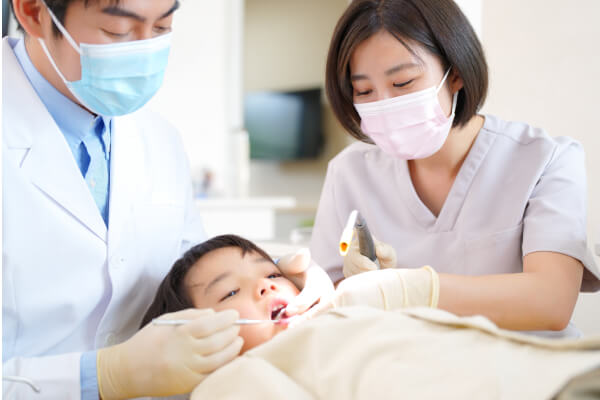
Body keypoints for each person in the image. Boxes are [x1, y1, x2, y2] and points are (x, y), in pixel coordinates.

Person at [2, 0, 327, 398]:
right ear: (33, 12)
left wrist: (283, 279)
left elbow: (189, 279)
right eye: (119, 31)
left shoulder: (159, 139)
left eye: (162, 27)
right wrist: (102, 376)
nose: (143, 51)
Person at [310, 0, 600, 338]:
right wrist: (349, 286)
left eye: (403, 83)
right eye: (364, 90)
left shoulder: (546, 160)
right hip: (406, 363)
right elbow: (324, 303)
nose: (384, 103)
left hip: (529, 361)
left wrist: (409, 289)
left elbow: (551, 302)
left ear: (456, 73)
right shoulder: (349, 172)